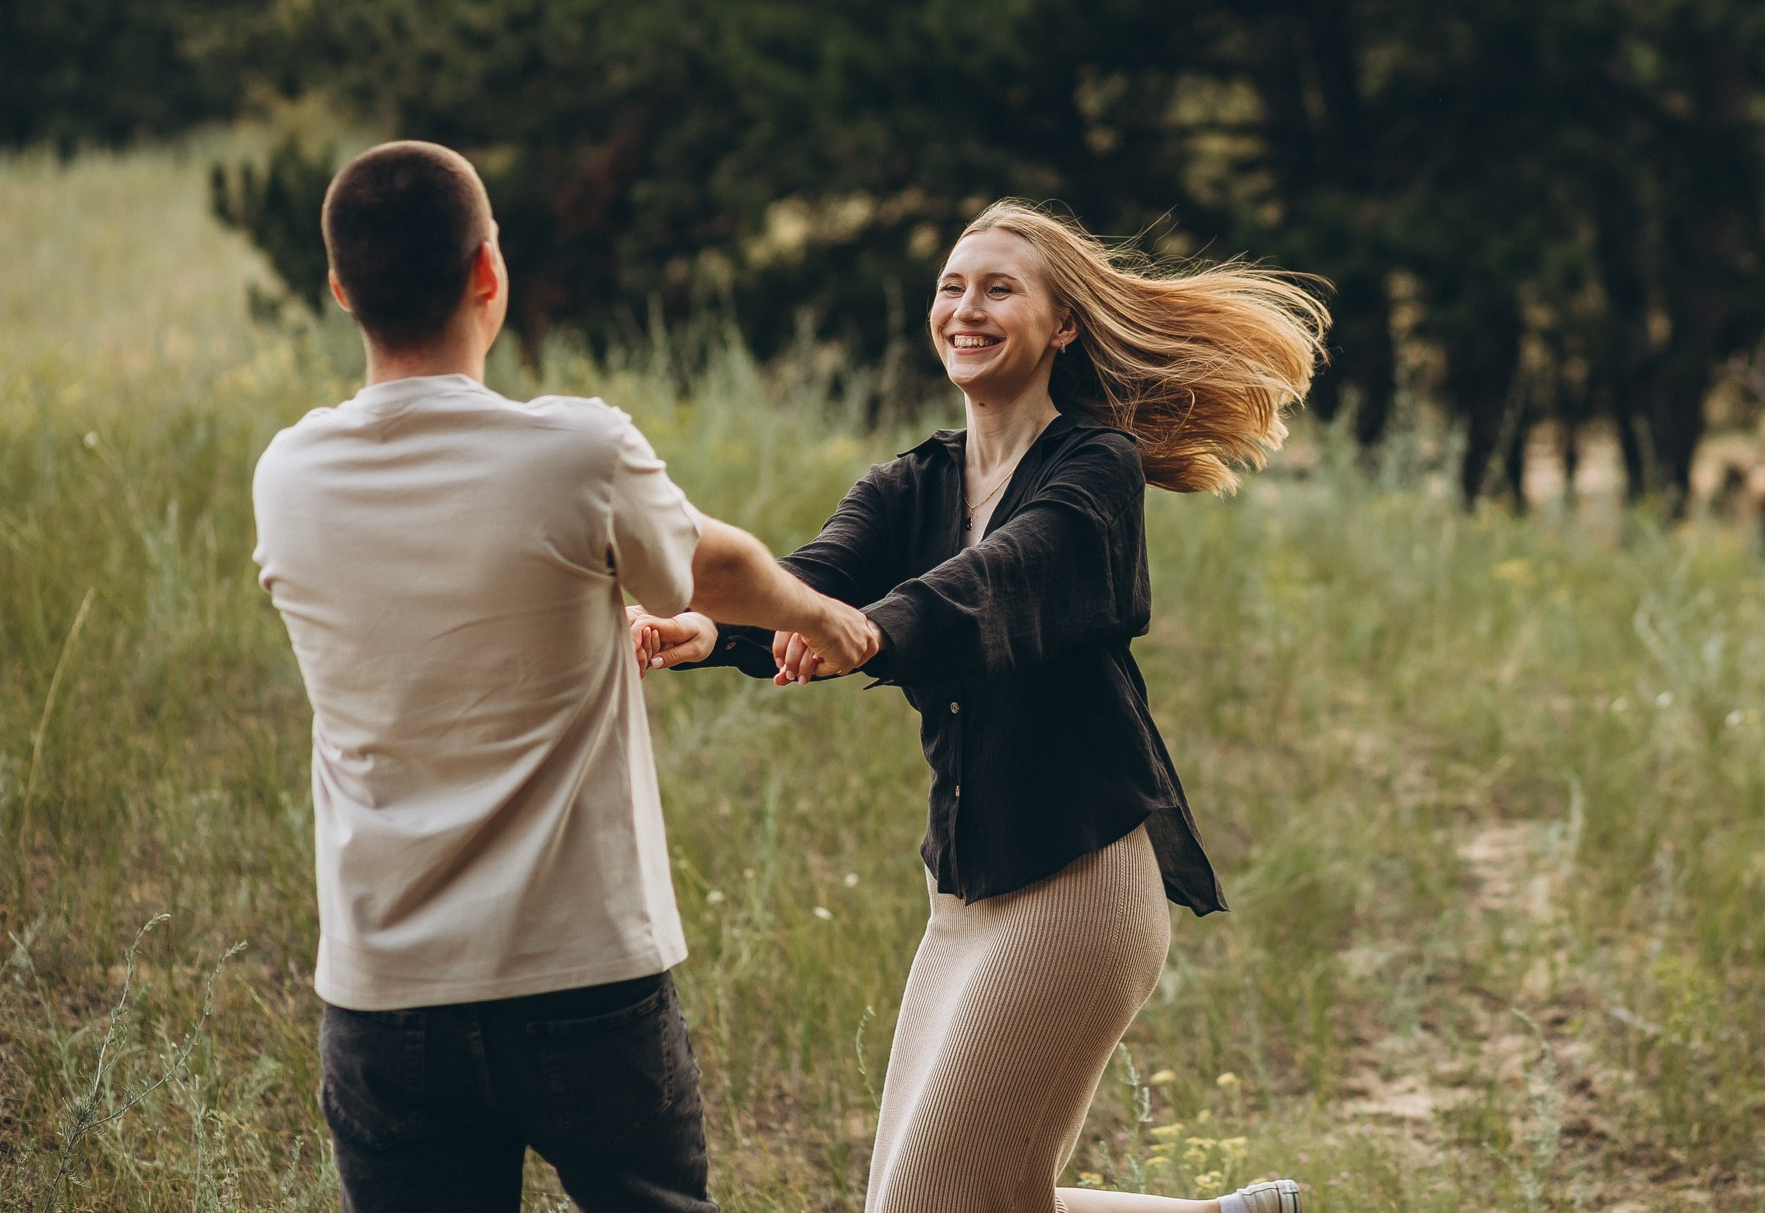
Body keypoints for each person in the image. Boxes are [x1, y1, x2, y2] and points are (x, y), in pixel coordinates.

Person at [630, 200, 1328, 1213]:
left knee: (933, 1204)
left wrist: (872, 631)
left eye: (999, 289)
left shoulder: (1094, 468)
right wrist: (708, 629)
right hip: (963, 892)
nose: (965, 308)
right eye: (952, 286)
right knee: (942, 1201)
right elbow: (811, 579)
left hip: (1079, 887)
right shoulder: (908, 484)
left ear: (1064, 324)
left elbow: (1001, 581)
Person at [252, 141, 878, 1213]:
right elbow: (706, 565)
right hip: (584, 975)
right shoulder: (577, 451)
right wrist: (822, 614)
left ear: (340, 289)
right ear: (488, 271)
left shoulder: (289, 474)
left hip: (386, 989)